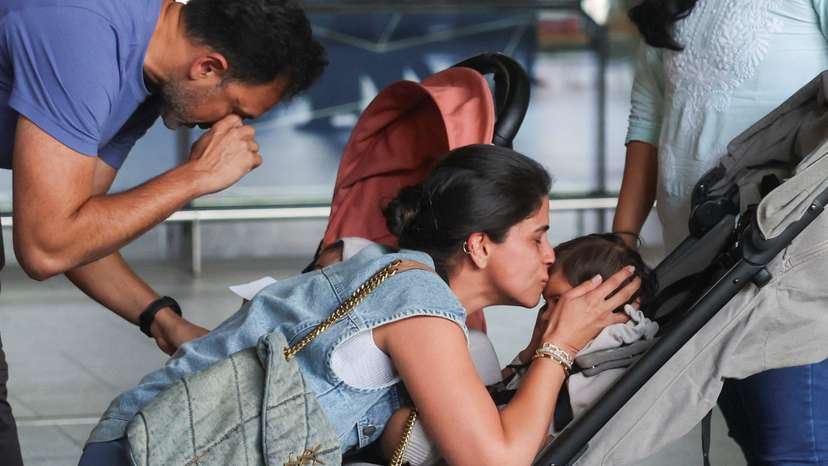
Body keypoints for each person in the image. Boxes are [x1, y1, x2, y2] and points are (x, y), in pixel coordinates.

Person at [79, 144, 640, 465]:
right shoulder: (420, 303)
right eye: (537, 236)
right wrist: (558, 348)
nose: (549, 255)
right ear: (481, 245)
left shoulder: (395, 274)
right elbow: (495, 462)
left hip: (144, 440)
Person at [0, 0, 326, 463]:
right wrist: (195, 176)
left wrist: (165, 321)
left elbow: (79, 235)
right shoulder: (82, 30)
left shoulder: (146, 83)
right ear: (208, 67)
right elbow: (44, 246)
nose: (226, 127)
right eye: (235, 109)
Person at [613, 0, 828, 463]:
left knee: (793, 450)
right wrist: (622, 241)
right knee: (755, 440)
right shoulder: (666, 5)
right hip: (699, 266)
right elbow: (648, 122)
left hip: (787, 264)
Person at [377, 232, 659, 466]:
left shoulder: (612, 350)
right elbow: (510, 391)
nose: (549, 315)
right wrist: (533, 352)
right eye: (548, 304)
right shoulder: (568, 343)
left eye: (560, 301)